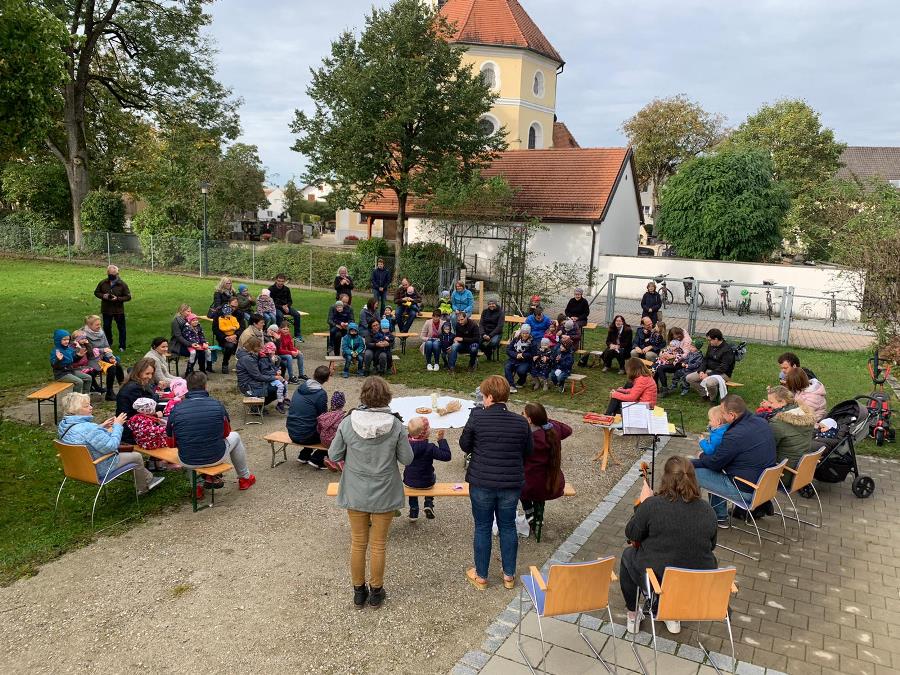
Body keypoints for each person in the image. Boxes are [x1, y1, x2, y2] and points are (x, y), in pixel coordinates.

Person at [327, 376, 414, 609]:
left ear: (363, 395)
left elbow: (334, 455)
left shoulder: (347, 422)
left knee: (357, 543)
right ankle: (376, 591)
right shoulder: (395, 425)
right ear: (387, 396)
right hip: (384, 490)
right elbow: (407, 458)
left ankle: (358, 591)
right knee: (378, 545)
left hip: (355, 490)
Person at [620, 456, 718, 635]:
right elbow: (711, 546)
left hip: (658, 579)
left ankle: (633, 615)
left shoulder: (652, 505)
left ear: (666, 478)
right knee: (683, 559)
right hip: (696, 583)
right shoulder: (708, 510)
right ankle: (672, 615)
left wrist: (641, 506)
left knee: (628, 556)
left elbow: (631, 534)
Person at [460, 375, 533, 590]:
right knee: (508, 526)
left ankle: (481, 576)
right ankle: (508, 575)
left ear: (490, 396)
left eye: (483, 396)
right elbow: (528, 451)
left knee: (482, 527)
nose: (482, 400)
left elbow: (465, 446)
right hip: (510, 483)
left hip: (482, 481)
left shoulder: (477, 418)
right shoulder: (521, 422)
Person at [691, 395, 776, 526]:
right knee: (713, 472)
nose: (722, 416)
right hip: (764, 486)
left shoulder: (735, 434)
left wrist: (691, 462)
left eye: (723, 413)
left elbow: (714, 464)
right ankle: (719, 515)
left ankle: (688, 515)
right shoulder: (761, 422)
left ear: (731, 415)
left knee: (690, 472)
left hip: (745, 489)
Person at [166, 372, 256, 492]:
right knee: (236, 436)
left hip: (187, 459)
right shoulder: (217, 405)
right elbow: (226, 433)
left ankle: (196, 489)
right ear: (205, 386)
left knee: (187, 445)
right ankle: (244, 478)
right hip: (215, 456)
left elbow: (171, 442)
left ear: (188, 387)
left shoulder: (176, 409)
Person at [58, 393, 163, 494]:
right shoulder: (89, 428)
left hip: (77, 466)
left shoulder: (64, 425)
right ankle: (144, 486)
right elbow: (112, 446)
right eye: (86, 406)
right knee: (136, 456)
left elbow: (82, 435)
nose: (91, 407)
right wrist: (117, 425)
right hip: (98, 467)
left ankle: (148, 477)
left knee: (129, 455)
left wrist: (101, 427)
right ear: (75, 410)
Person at [520, 402, 570, 530]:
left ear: (529, 420)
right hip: (553, 484)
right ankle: (536, 515)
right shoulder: (553, 430)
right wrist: (546, 421)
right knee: (534, 483)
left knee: (515, 482)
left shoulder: (528, 437)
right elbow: (568, 430)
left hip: (531, 487)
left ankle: (529, 511)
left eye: (523, 414)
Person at [757, 386, 817, 470]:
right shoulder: (804, 413)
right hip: (800, 469)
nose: (769, 405)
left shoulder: (777, 423)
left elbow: (766, 449)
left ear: (782, 402)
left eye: (771, 402)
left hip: (782, 472)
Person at [403, 417, 451, 520]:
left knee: (412, 480)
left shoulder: (406, 446)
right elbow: (447, 456)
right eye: (428, 427)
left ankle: (414, 511)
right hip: (427, 483)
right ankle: (428, 503)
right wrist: (441, 440)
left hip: (409, 482)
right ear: (424, 433)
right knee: (433, 476)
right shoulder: (430, 447)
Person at [287, 365, 331, 468]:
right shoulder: (320, 394)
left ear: (314, 375)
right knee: (332, 432)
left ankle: (304, 455)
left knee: (308, 422)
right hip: (306, 437)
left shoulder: (300, 388)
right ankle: (318, 459)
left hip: (292, 432)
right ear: (328, 378)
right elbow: (323, 418)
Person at [115, 357, 160, 444]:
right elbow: (144, 409)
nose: (150, 376)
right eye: (147, 373)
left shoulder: (136, 383)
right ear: (139, 372)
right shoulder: (134, 388)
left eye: (152, 373)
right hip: (130, 428)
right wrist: (157, 414)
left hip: (132, 423)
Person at [81, 314, 125, 401]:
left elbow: (106, 346)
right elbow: (89, 352)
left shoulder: (100, 332)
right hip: (91, 360)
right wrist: (103, 350)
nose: (99, 326)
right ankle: (109, 393)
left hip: (102, 356)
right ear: (89, 325)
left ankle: (123, 388)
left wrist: (111, 357)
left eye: (99, 324)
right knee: (111, 368)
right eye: (97, 325)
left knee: (117, 364)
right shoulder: (83, 335)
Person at [236, 336, 285, 411]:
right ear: (253, 347)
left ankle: (258, 405)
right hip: (248, 386)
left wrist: (273, 363)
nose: (261, 349)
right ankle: (256, 406)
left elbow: (261, 370)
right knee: (279, 388)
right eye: (259, 347)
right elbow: (258, 376)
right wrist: (275, 377)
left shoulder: (250, 355)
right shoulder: (248, 359)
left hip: (252, 382)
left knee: (281, 386)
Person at [685, 329, 735, 401]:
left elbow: (724, 368)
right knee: (689, 378)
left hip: (723, 374)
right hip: (709, 370)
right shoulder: (711, 345)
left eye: (710, 340)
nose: (709, 342)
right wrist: (701, 371)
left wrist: (708, 374)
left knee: (710, 383)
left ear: (716, 339)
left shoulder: (727, 350)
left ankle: (713, 399)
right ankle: (705, 395)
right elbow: (705, 360)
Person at [93, 264, 131, 352]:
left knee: (121, 328)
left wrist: (117, 299)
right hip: (106, 309)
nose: (112, 275)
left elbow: (128, 297)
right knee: (106, 327)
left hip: (118, 310)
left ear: (117, 273)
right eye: (110, 274)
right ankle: (108, 343)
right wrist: (103, 296)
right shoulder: (103, 283)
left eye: (114, 274)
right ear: (107, 273)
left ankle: (122, 346)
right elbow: (96, 292)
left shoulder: (122, 284)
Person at [50, 329, 92, 394]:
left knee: (88, 378)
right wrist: (58, 360)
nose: (67, 341)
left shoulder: (69, 349)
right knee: (79, 382)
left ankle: (85, 399)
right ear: (58, 340)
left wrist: (79, 356)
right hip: (61, 375)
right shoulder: (56, 351)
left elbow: (73, 360)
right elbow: (54, 366)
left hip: (70, 371)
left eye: (68, 339)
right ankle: (75, 400)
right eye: (64, 339)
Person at [269, 274, 304, 341]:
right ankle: (280, 335)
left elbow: (290, 301)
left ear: (284, 281)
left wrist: (287, 306)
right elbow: (271, 303)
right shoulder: (271, 289)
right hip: (275, 307)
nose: (280, 283)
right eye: (279, 281)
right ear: (276, 280)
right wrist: (282, 307)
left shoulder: (286, 289)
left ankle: (297, 335)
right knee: (280, 315)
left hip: (286, 307)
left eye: (282, 281)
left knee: (297, 314)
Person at [504, 324, 535, 393]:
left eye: (527, 333)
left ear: (529, 333)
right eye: (523, 333)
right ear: (521, 333)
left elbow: (533, 353)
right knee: (507, 367)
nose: (525, 335)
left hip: (525, 361)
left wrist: (523, 355)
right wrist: (516, 355)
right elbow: (508, 350)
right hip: (514, 359)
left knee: (521, 370)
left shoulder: (532, 342)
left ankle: (521, 381)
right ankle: (511, 385)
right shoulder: (516, 339)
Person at [213, 302, 242, 374]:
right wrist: (226, 337)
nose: (234, 308)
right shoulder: (219, 317)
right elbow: (216, 329)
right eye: (232, 306)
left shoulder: (237, 315)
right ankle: (225, 363)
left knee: (246, 344)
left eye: (235, 306)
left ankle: (242, 365)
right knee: (230, 346)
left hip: (235, 336)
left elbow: (240, 327)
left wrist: (235, 335)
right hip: (223, 338)